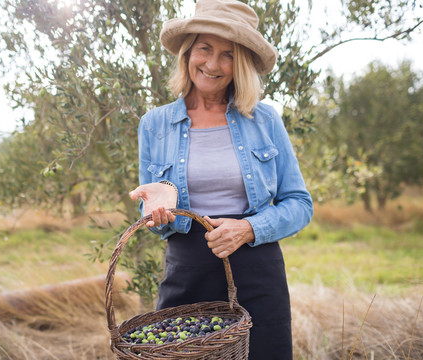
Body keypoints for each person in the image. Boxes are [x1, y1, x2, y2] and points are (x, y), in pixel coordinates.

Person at [128, 0, 313, 359]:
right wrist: (155, 212)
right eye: (205, 49)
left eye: (227, 55)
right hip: (187, 272)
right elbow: (150, 217)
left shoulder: (265, 120)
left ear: (240, 64)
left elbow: (300, 204)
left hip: (257, 270)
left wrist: (248, 229)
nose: (212, 64)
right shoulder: (155, 124)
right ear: (188, 52)